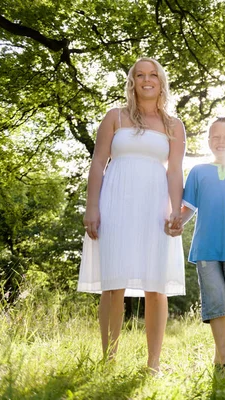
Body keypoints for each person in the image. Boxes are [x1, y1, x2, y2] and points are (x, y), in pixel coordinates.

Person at [77, 57, 186, 373]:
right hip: (115, 203)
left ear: (161, 82)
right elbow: (98, 163)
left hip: (155, 206)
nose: (147, 80)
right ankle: (108, 360)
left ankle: (153, 364)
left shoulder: (173, 126)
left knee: (156, 285)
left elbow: (176, 171)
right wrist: (92, 207)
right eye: (140, 75)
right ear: (133, 82)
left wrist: (175, 212)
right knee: (113, 283)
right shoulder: (115, 118)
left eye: (153, 75)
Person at [171, 117, 225, 375]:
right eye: (215, 137)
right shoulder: (198, 172)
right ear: (209, 140)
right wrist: (178, 222)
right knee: (216, 303)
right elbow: (189, 208)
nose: (221, 142)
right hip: (206, 249)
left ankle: (219, 356)